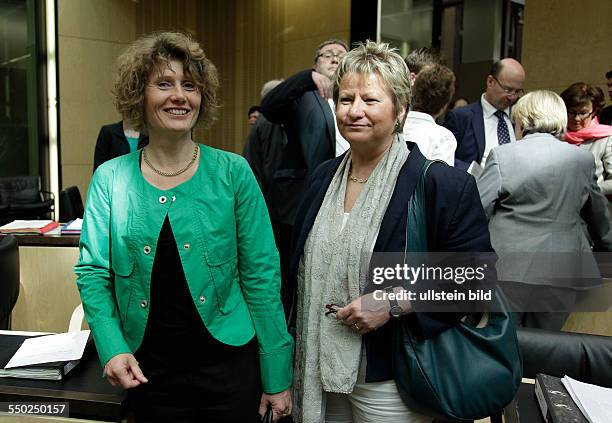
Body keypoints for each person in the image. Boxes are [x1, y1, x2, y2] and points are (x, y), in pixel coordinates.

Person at [74, 32, 293, 423]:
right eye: (163, 83)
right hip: (147, 373)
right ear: (138, 95)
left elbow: (261, 275)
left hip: (230, 370)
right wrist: (111, 346)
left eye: (189, 85)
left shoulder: (234, 173)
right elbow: (93, 273)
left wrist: (276, 374)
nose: (179, 95)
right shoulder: (110, 179)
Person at [291, 40, 492, 423]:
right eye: (346, 99)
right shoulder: (321, 178)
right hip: (316, 371)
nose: (355, 111)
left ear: (400, 110)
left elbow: (476, 278)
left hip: (391, 381)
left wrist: (394, 302)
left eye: (370, 100)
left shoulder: (439, 186)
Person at [478, 90, 612, 330]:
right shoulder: (581, 159)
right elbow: (598, 214)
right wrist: (606, 249)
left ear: (523, 120)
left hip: (509, 266)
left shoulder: (503, 155)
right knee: (548, 346)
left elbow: (478, 208)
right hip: (565, 267)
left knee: (504, 341)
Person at [444, 58, 526, 170]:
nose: (512, 97)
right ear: (490, 81)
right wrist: (474, 174)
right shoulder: (461, 117)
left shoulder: (520, 119)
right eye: (508, 89)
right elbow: (445, 156)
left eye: (517, 92)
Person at [561, 82, 612, 197]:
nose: (577, 118)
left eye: (583, 113)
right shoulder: (556, 136)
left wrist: (586, 190)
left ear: (594, 112)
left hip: (593, 207)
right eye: (572, 112)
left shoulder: (607, 138)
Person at [403, 64, 457, 165]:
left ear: (413, 91)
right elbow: (441, 179)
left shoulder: (391, 126)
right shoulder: (443, 138)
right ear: (445, 105)